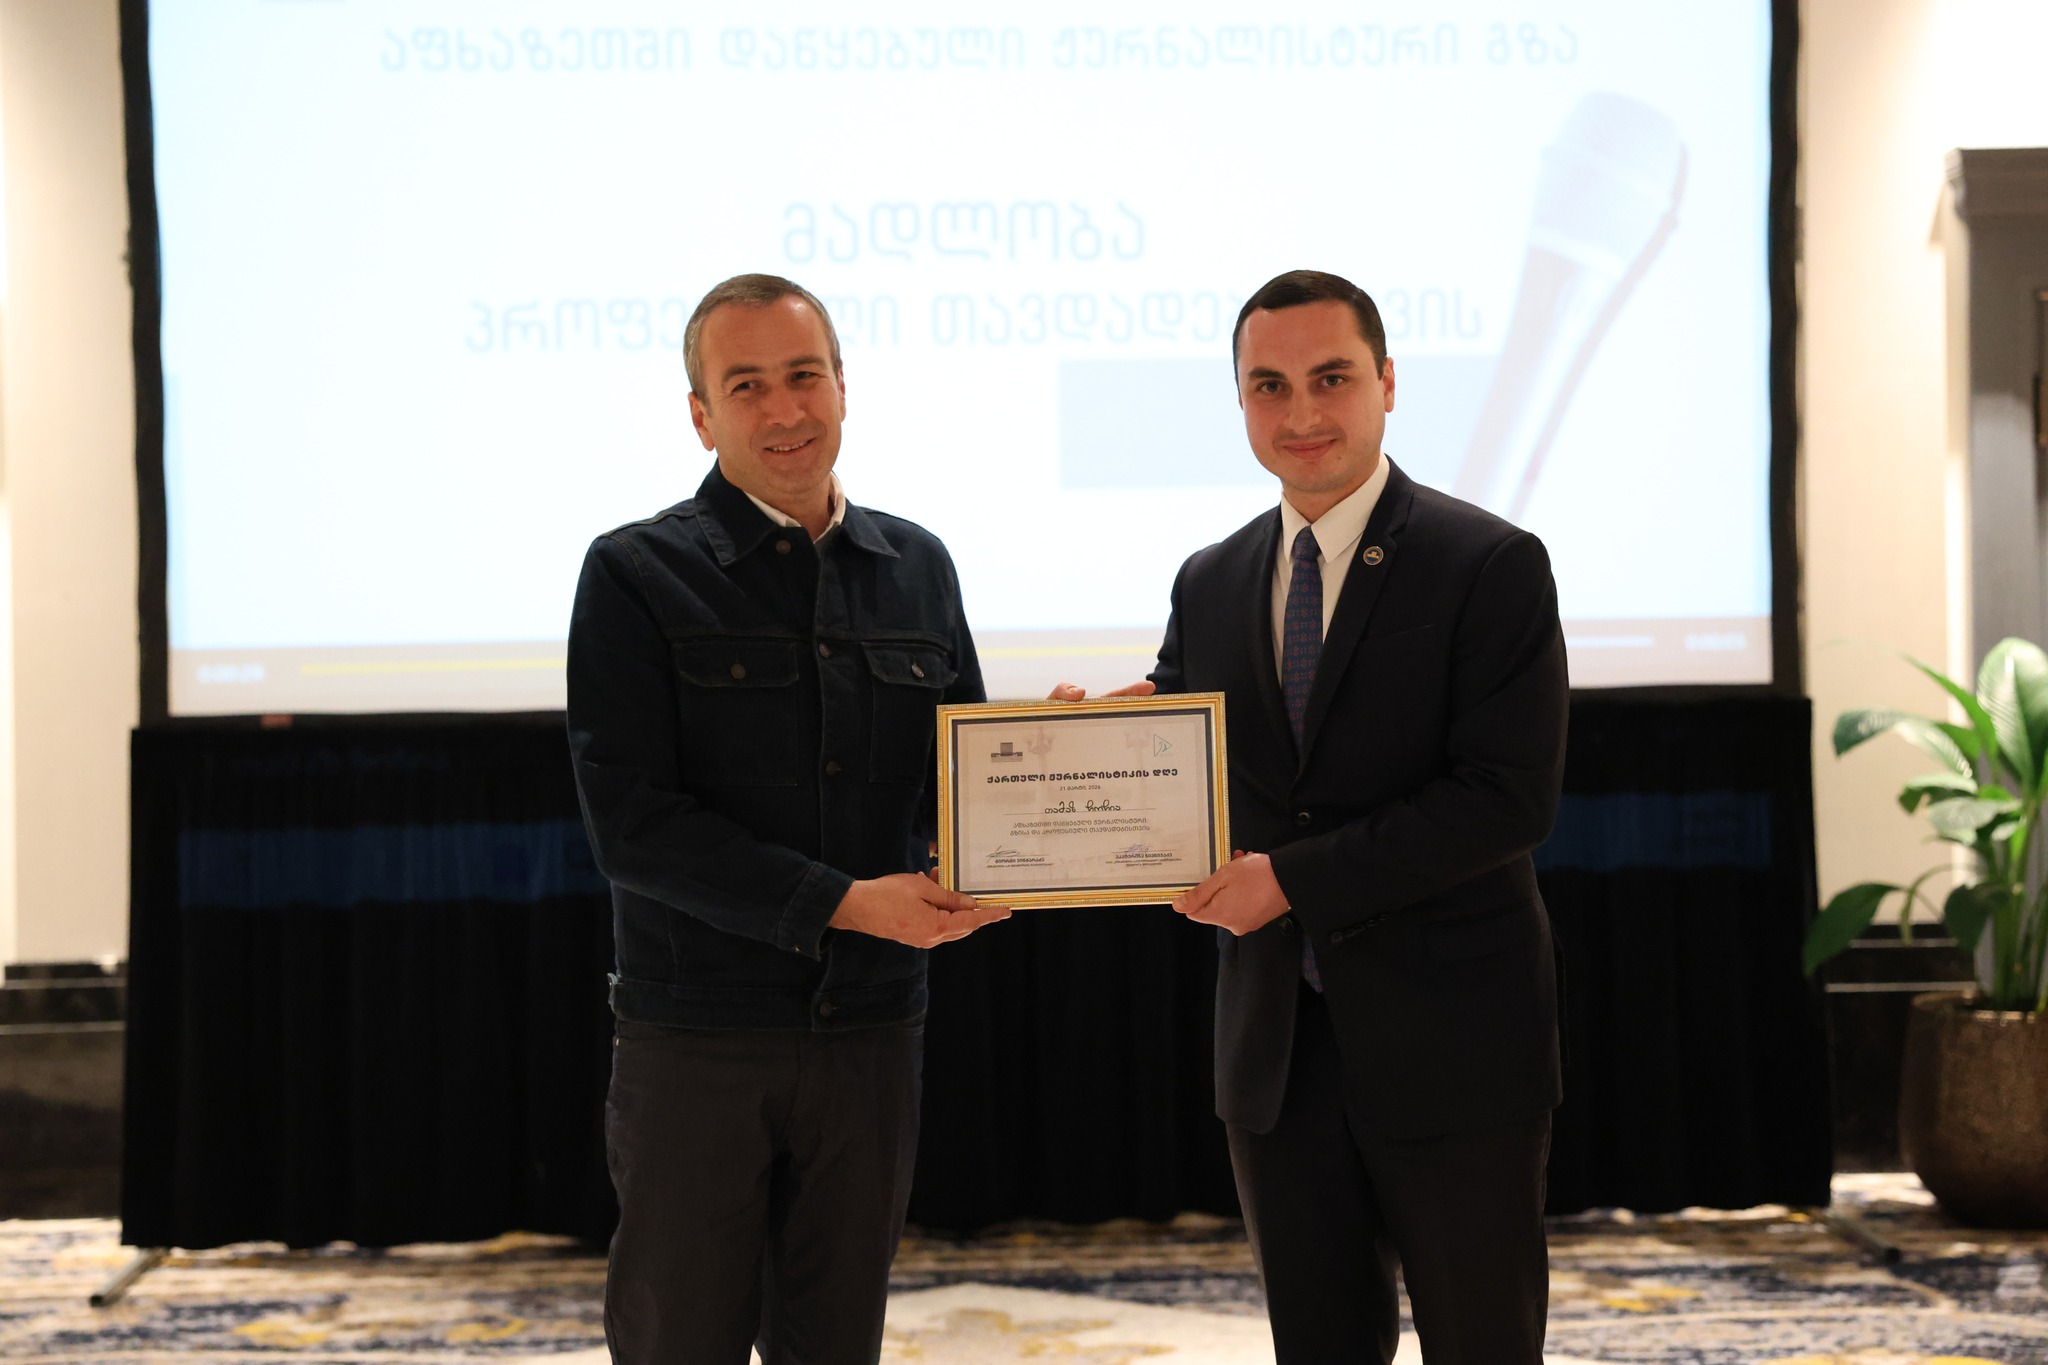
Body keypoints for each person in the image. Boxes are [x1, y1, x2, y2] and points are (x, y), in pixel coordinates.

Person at [1063, 269, 1567, 1361]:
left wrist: (1290, 880)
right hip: (1277, 1057)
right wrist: (1086, 745)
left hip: (1453, 1047)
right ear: (1240, 400)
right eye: (1269, 386)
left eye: (1330, 378)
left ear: (1386, 382)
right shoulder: (1211, 578)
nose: (1300, 413)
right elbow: (1184, 734)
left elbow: (1506, 798)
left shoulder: (1488, 564)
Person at [566, 273, 1009, 1365]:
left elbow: (958, 790)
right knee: (681, 1344)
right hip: (696, 1042)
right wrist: (843, 903)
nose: (784, 410)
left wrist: (1041, 771)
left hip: (869, 1038)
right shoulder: (634, 573)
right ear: (701, 414)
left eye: (804, 375)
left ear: (843, 387)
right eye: (747, 385)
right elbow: (632, 824)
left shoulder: (918, 566)